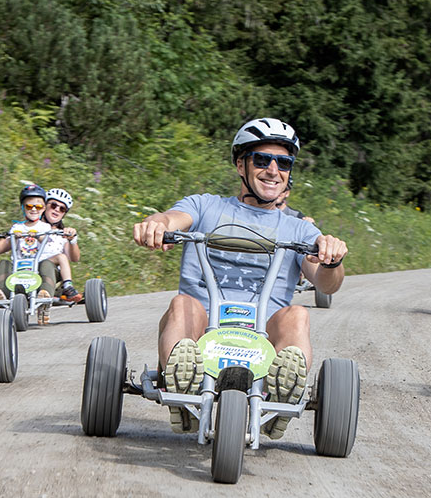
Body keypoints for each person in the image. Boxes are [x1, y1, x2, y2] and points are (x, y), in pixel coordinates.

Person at [132, 117, 347, 436]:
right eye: (262, 160)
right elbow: (173, 217)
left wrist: (331, 260)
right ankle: (183, 385)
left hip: (265, 333)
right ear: (240, 164)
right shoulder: (206, 207)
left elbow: (326, 283)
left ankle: (280, 395)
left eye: (283, 162)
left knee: (297, 315)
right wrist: (157, 224)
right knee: (181, 304)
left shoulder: (299, 228)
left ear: (290, 172)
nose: (273, 170)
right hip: (201, 327)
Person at [0, 185, 74, 324]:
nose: (33, 209)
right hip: (18, 267)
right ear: (23, 207)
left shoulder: (45, 228)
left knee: (46, 264)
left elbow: (46, 240)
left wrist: (37, 236)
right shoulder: (17, 228)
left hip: (37, 267)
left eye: (37, 207)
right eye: (29, 206)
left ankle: (44, 299)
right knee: (3, 263)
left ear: (43, 208)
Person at [41, 187, 84, 306]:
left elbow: (75, 258)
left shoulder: (61, 234)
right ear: (45, 206)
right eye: (53, 205)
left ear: (64, 213)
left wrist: (72, 240)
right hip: (27, 268)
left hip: (50, 270)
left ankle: (67, 287)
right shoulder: (30, 227)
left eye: (62, 209)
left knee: (60, 257)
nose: (57, 210)